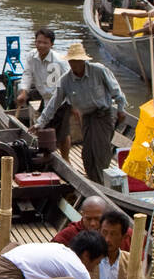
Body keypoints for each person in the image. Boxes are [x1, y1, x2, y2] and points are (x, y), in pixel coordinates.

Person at [35, 44, 127, 182]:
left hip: (103, 115)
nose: (74, 64)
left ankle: (101, 181)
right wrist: (40, 123)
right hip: (87, 117)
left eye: (77, 61)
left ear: (83, 61)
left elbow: (116, 92)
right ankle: (94, 180)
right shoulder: (66, 80)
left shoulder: (99, 71)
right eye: (71, 61)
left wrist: (121, 109)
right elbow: (54, 103)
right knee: (87, 153)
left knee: (100, 150)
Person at [16, 27, 69, 130]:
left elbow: (67, 82)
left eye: (45, 43)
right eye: (38, 42)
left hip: (60, 100)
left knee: (61, 132)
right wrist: (23, 92)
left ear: (51, 44)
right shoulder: (32, 56)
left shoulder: (58, 61)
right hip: (45, 97)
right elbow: (27, 74)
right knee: (48, 130)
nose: (41, 45)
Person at [51, 196, 129, 250]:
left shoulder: (121, 232)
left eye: (97, 219)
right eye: (88, 219)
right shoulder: (70, 233)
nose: (93, 224)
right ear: (82, 215)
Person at [93, 209, 131, 279]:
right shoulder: (89, 260)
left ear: (124, 237)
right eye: (104, 233)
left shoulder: (131, 262)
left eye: (113, 234)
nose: (107, 239)